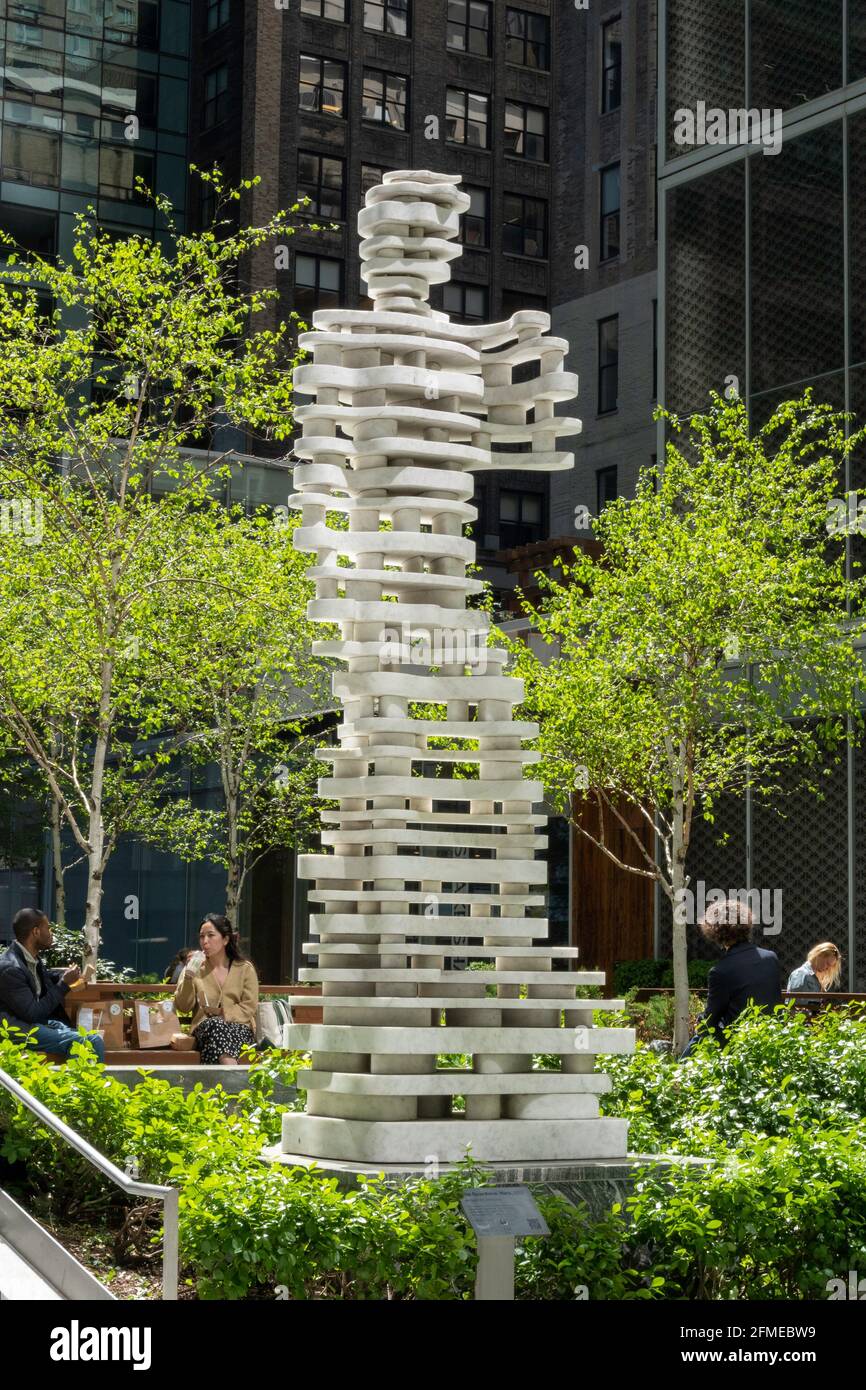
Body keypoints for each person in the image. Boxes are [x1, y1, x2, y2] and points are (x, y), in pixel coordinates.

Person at [680, 898, 782, 1059]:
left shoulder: (720, 971)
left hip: (738, 1041)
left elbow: (712, 1018)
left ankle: (677, 1077)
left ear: (715, 932)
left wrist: (700, 1020)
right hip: (772, 1035)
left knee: (703, 1029)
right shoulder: (771, 958)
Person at [0, 908, 105, 1062]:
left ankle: (76, 1081)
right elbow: (33, 1013)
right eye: (48, 928)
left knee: (89, 1036)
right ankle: (84, 1084)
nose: (51, 933)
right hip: (15, 1029)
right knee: (89, 1041)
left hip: (30, 1022)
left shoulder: (29, 958)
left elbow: (41, 978)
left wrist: (63, 975)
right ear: (36, 932)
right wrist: (64, 984)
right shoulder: (10, 968)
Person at [174, 913, 258, 1065]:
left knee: (219, 1032)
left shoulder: (244, 968)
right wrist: (188, 977)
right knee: (215, 1026)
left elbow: (249, 1006)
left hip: (240, 1029)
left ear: (225, 939)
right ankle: (233, 1079)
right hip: (206, 1029)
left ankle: (220, 1082)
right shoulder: (195, 967)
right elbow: (183, 1006)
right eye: (201, 936)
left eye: (211, 935)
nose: (205, 941)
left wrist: (222, 1013)